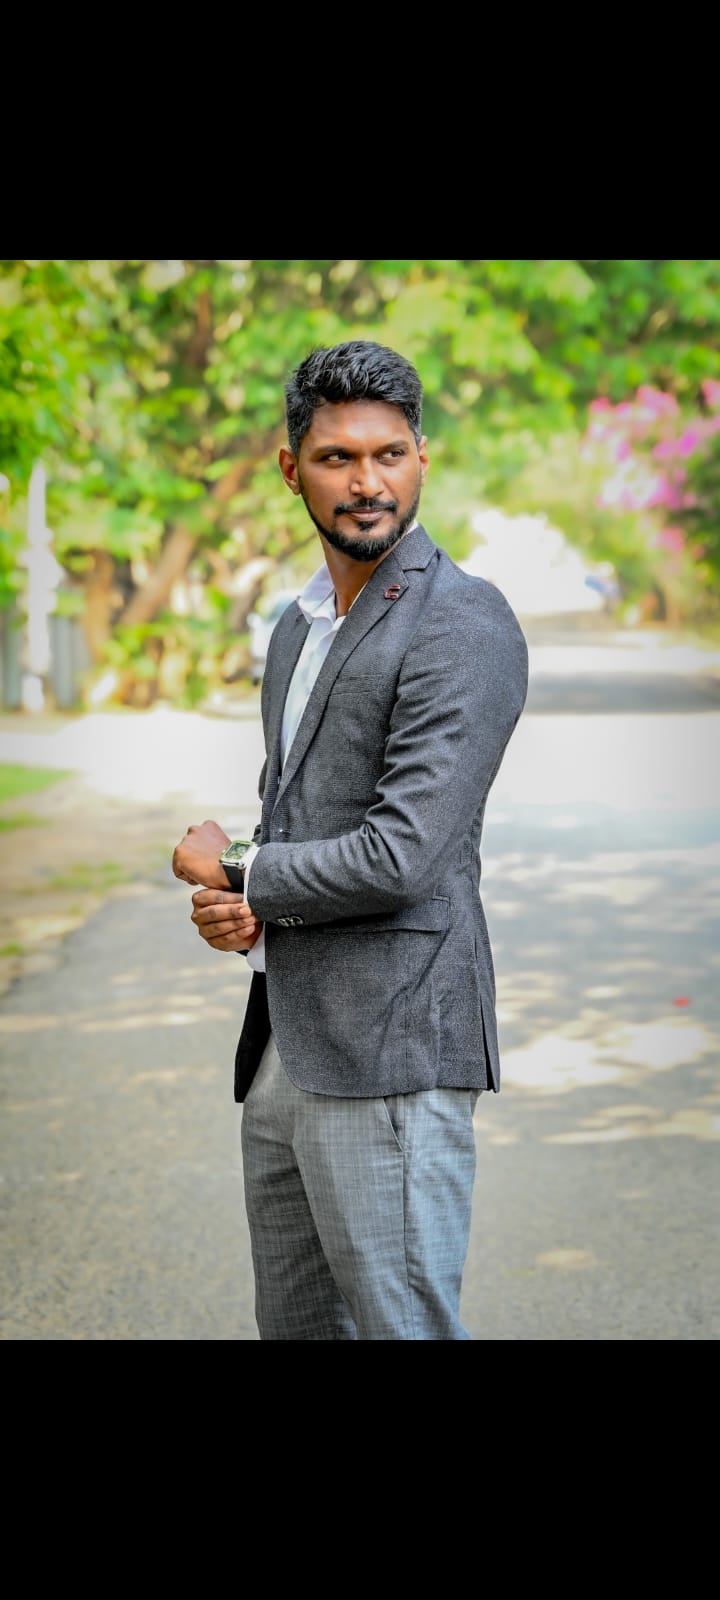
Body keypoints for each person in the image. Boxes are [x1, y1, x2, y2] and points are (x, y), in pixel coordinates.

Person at [172, 339, 528, 1341]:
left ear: (422, 460)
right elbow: (302, 824)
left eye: (388, 454)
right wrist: (246, 904)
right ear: (294, 469)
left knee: (398, 1324)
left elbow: (403, 854)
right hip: (286, 1043)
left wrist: (236, 865)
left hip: (391, 1048)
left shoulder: (461, 622)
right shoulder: (298, 627)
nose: (367, 482)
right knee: (296, 1324)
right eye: (337, 457)